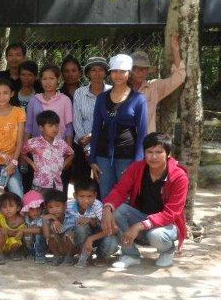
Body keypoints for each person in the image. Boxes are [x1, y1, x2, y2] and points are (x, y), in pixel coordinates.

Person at [101, 132, 188, 269]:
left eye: (159, 152)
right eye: (149, 152)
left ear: (168, 154)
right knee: (117, 210)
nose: (153, 157)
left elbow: (171, 213)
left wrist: (139, 225)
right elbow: (119, 190)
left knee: (156, 235)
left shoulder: (179, 177)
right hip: (142, 216)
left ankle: (167, 251)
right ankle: (130, 254)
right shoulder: (137, 168)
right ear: (144, 153)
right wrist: (107, 208)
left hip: (167, 224)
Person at [90, 54, 148, 198]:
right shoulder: (101, 98)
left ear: (129, 74)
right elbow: (96, 129)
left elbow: (142, 132)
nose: (118, 75)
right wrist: (92, 159)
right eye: (115, 71)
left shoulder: (138, 99)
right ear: (110, 73)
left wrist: (137, 162)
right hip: (103, 156)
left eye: (123, 71)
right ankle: (105, 221)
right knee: (105, 196)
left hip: (127, 156)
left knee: (125, 197)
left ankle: (121, 222)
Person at [25, 65, 74, 192]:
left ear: (58, 80)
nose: (48, 82)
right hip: (38, 153)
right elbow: (29, 126)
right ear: (40, 80)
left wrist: (67, 153)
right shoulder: (34, 100)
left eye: (51, 78)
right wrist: (26, 152)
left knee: (57, 190)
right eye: (44, 79)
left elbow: (69, 127)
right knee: (38, 188)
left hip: (58, 152)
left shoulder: (65, 100)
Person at [131, 34, 186, 133]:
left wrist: (175, 50)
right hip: (124, 142)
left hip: (146, 142)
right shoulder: (120, 88)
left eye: (144, 69)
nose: (140, 72)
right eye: (136, 68)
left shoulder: (153, 87)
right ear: (129, 71)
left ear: (148, 71)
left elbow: (179, 78)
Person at [72, 57, 112, 186]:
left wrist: (93, 136)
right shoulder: (79, 93)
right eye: (93, 70)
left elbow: (111, 120)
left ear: (106, 73)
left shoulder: (112, 92)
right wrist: (87, 147)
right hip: (82, 144)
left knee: (102, 182)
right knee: (82, 184)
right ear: (88, 73)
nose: (97, 73)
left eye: (100, 70)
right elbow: (77, 120)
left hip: (105, 143)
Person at [69, 178, 118, 268]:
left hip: (98, 235)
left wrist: (91, 238)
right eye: (82, 196)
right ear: (75, 196)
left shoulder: (98, 206)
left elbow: (114, 230)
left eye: (89, 196)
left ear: (95, 195)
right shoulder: (69, 206)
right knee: (80, 227)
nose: (86, 200)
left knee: (112, 242)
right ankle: (84, 255)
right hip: (81, 237)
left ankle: (101, 257)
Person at [21, 111, 74, 192]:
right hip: (39, 183)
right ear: (41, 128)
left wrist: (63, 165)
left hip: (56, 184)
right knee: (39, 204)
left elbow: (72, 154)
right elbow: (22, 153)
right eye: (50, 126)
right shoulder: (33, 142)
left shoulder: (61, 143)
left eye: (56, 126)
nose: (54, 128)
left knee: (54, 204)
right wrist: (32, 164)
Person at [41, 189, 76, 266]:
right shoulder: (47, 219)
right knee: (51, 236)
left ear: (65, 206)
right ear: (46, 208)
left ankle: (69, 257)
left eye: (58, 206)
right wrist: (44, 219)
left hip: (70, 248)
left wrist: (56, 220)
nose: (54, 210)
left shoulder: (72, 218)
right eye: (50, 207)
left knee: (69, 234)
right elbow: (47, 236)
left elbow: (76, 237)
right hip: (57, 247)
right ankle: (57, 256)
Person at [0, 192, 25, 264]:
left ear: (18, 208)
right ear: (0, 210)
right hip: (1, 242)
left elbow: (20, 234)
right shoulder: (0, 216)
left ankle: (13, 253)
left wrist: (8, 232)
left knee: (16, 242)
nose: (8, 209)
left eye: (11, 206)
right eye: (4, 207)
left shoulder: (21, 220)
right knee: (2, 232)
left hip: (13, 242)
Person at [20, 190, 47, 264]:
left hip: (42, 244)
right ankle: (28, 252)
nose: (36, 212)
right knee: (25, 233)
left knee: (38, 235)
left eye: (38, 208)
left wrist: (24, 230)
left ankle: (40, 255)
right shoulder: (25, 218)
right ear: (27, 210)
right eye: (31, 209)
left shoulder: (42, 218)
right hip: (29, 243)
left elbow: (40, 230)